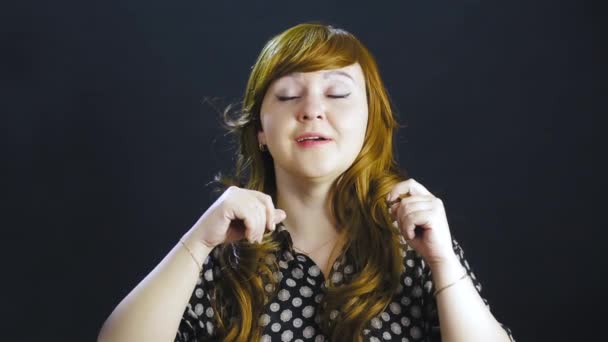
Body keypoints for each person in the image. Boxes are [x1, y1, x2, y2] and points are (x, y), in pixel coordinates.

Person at [98, 23, 515, 342]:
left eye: (336, 94)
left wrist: (443, 262)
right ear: (260, 129)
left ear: (369, 122)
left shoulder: (417, 245)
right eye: (286, 95)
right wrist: (196, 244)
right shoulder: (219, 255)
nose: (312, 109)